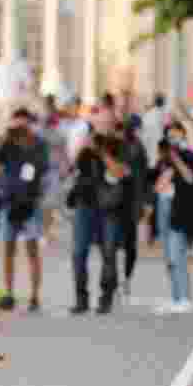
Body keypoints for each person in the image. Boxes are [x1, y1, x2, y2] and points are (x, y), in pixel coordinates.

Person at [0, 108, 50, 312]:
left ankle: (34, 296)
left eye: (23, 125)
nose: (20, 129)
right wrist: (2, 180)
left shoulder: (38, 144)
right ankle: (9, 294)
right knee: (8, 249)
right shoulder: (7, 144)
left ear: (30, 124)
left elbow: (42, 168)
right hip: (9, 202)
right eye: (17, 125)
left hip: (30, 204)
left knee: (32, 249)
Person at [66, 132, 129, 315]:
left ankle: (106, 298)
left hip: (107, 209)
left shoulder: (117, 147)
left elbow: (119, 172)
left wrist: (103, 153)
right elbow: (71, 169)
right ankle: (81, 299)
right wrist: (83, 147)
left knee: (108, 254)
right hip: (83, 206)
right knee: (78, 253)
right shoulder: (85, 151)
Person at [152, 123, 193, 314]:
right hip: (163, 207)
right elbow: (156, 185)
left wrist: (176, 160)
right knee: (169, 256)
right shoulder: (163, 159)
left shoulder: (190, 157)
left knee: (178, 255)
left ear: (183, 136)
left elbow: (191, 179)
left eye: (177, 135)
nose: (173, 139)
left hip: (179, 209)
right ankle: (177, 297)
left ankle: (184, 298)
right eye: (170, 136)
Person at [115, 116, 149, 298]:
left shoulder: (140, 148)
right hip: (115, 201)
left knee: (130, 246)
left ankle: (126, 278)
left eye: (139, 128)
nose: (137, 131)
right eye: (136, 128)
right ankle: (114, 280)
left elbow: (144, 177)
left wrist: (146, 201)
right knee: (113, 243)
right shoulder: (117, 145)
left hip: (133, 203)